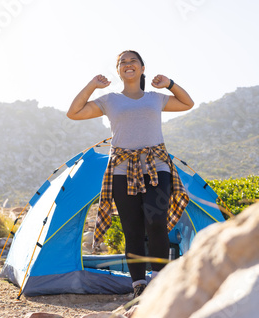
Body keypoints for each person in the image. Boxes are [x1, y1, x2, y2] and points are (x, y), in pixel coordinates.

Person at [66, 50, 193, 299]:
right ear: (118, 71)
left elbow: (188, 103)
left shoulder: (156, 98)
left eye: (133, 60)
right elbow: (74, 112)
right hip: (122, 170)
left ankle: (159, 283)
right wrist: (93, 84)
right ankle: (138, 286)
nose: (128, 64)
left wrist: (170, 84)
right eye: (122, 62)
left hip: (157, 167)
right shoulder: (109, 100)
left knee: (156, 222)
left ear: (142, 68)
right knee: (132, 229)